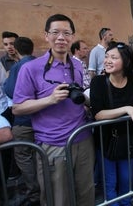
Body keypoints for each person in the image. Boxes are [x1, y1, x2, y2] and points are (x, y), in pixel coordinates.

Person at [12, 14, 95, 205]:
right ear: (46, 35)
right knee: (58, 199)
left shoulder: (76, 64)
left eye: (66, 33)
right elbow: (17, 108)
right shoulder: (31, 68)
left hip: (82, 140)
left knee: (86, 195)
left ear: (72, 37)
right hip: (53, 145)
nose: (61, 37)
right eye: (55, 32)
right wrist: (50, 100)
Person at [90, 41, 133, 206]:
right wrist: (126, 108)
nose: (107, 60)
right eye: (106, 56)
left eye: (113, 57)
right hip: (106, 141)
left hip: (128, 139)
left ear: (125, 61)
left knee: (126, 180)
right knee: (110, 182)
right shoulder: (98, 82)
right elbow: (98, 114)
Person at [3, 36, 40, 205]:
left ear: (16, 50)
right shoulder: (41, 63)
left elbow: (10, 91)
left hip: (24, 121)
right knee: (41, 157)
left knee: (24, 157)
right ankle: (45, 189)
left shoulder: (18, 67)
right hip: (42, 120)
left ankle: (34, 193)